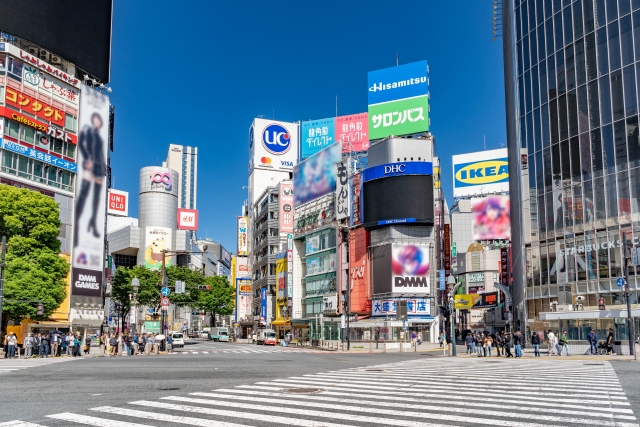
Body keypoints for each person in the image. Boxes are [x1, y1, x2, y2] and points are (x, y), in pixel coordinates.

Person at [74, 111, 106, 248]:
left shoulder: (100, 136)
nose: (98, 122)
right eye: (96, 119)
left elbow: (101, 154)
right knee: (84, 194)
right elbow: (81, 145)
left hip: (99, 168)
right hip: (90, 166)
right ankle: (78, 223)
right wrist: (87, 159)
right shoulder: (87, 131)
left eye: (99, 120)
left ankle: (93, 223)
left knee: (97, 197)